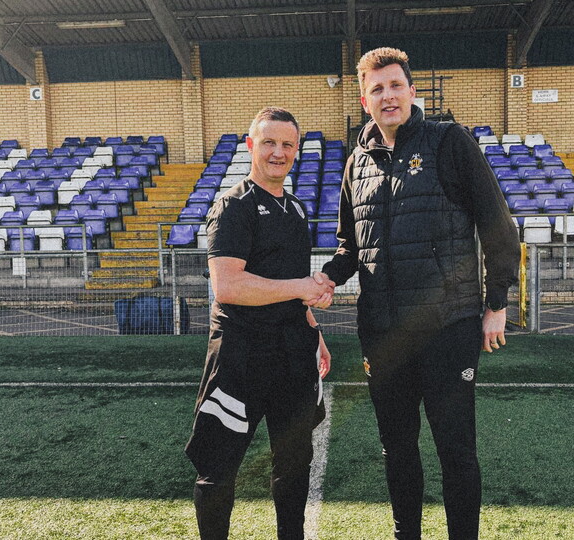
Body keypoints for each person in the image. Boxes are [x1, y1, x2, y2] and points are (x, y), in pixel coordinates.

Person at [319, 47, 521, 540]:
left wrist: (497, 304)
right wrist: (322, 280)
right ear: (365, 100)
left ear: (412, 91)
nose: (387, 96)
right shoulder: (355, 164)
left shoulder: (449, 142)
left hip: (447, 329)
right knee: (398, 449)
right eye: (377, 89)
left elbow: (498, 225)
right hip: (384, 335)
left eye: (395, 86)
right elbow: (352, 244)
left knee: (456, 450)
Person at [185, 107, 334, 540]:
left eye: (287, 144)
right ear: (251, 146)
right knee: (220, 466)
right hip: (242, 356)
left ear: (296, 152)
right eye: (269, 142)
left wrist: (315, 331)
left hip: (293, 354)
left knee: (293, 464)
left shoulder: (296, 209)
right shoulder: (233, 206)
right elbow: (229, 286)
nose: (278, 152)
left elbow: (292, 286)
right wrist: (302, 288)